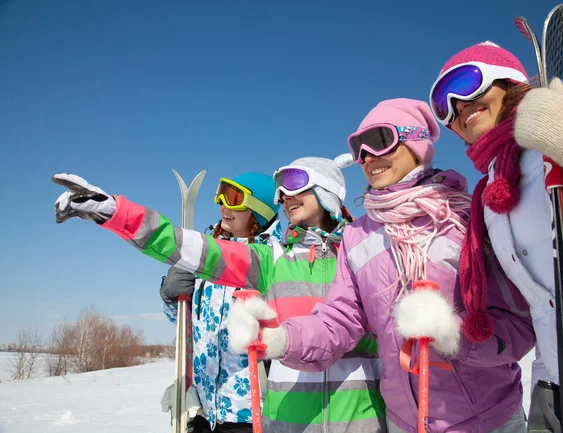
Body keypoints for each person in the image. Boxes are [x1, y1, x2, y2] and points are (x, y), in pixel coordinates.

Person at [225, 98, 536, 433]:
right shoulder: (358, 237)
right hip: (404, 422)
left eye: (379, 141)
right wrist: (282, 339)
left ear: (415, 142)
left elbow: (521, 321)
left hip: (486, 419)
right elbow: (338, 321)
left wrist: (454, 335)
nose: (368, 158)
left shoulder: (463, 216)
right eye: (359, 149)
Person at [52, 156, 386, 433]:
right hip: (286, 422)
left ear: (327, 191)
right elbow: (184, 245)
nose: (284, 195)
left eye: (295, 183)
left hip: (358, 421)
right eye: (280, 190)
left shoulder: (365, 252)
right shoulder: (271, 261)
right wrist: (113, 212)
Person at [427, 41, 563, 422]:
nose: (458, 105)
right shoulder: (491, 191)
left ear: (509, 81)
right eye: (444, 104)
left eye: (466, 83)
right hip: (557, 384)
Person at [159, 173, 282, 432]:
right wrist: (171, 295)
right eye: (220, 195)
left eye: (234, 198)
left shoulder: (275, 260)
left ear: (258, 211)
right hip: (205, 410)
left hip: (251, 413)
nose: (223, 205)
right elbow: (185, 322)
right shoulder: (207, 255)